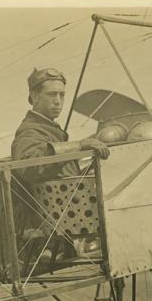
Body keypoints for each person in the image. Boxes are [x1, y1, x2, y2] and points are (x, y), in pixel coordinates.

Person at [10, 67, 109, 262]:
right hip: (51, 230)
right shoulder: (29, 132)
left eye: (62, 95)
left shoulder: (49, 129)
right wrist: (78, 146)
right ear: (34, 96)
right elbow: (29, 167)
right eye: (51, 94)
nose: (58, 101)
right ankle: (87, 242)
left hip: (66, 223)